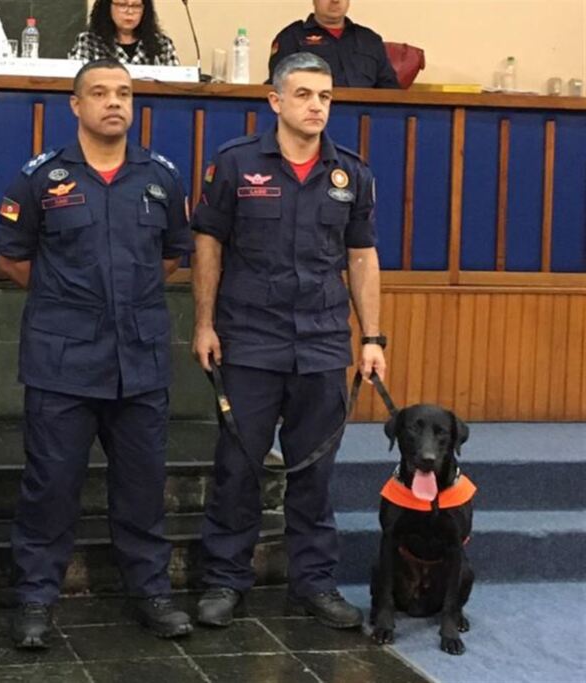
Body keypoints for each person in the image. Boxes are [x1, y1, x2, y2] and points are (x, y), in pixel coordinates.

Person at [0, 59, 194, 649]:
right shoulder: (41, 178)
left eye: (125, 94)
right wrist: (69, 301)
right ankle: (34, 600)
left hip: (141, 358)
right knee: (50, 486)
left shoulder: (160, 176)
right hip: (63, 361)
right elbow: (12, 255)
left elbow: (172, 256)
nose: (115, 103)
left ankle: (151, 592)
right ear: (76, 106)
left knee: (141, 486)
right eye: (100, 93)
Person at [191, 52, 386, 631]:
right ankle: (226, 582)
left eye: (325, 97)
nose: (316, 106)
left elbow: (361, 256)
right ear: (275, 101)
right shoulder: (234, 164)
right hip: (249, 341)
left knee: (315, 473)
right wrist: (203, 324)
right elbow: (208, 245)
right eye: (303, 95)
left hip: (324, 343)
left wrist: (372, 335)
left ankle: (313, 583)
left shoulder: (352, 173)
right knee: (238, 469)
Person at [267, 0, 399, 88]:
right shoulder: (291, 37)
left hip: (365, 121)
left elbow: (390, 89)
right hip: (310, 119)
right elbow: (278, 86)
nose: (335, 0)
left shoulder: (369, 40)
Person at [69, 0, 179, 66]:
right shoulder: (89, 42)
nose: (130, 12)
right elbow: (77, 82)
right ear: (107, 7)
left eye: (136, 6)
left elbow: (177, 86)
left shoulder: (162, 45)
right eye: (122, 5)